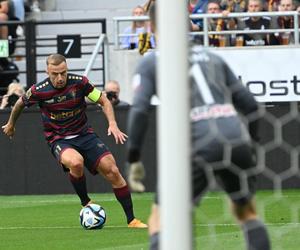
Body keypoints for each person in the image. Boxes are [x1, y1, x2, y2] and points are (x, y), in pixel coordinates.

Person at [127, 4, 271, 249]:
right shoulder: (213, 57)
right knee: (247, 213)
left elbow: (139, 109)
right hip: (235, 137)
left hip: (194, 143)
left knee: (160, 220)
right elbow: (251, 106)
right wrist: (253, 145)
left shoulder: (151, 61)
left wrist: (134, 156)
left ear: (151, 27)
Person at [1, 53, 147, 229]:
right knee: (76, 163)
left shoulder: (80, 82)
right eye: (55, 74)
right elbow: (19, 104)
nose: (60, 77)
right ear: (47, 71)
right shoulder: (39, 90)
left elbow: (103, 100)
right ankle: (86, 202)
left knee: (113, 171)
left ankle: (132, 220)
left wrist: (113, 124)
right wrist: (10, 124)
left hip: (85, 135)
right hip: (59, 139)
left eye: (63, 72)